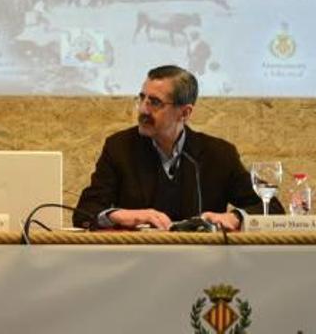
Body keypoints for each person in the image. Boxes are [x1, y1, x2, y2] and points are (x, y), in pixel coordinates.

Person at [73, 65, 283, 231]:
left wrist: (235, 217)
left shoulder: (218, 154)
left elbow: (271, 207)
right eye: (142, 98)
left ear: (184, 113)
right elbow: (84, 212)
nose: (143, 109)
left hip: (202, 264)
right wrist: (121, 215)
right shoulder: (120, 147)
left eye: (155, 102)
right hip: (138, 262)